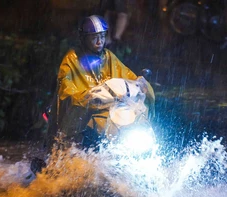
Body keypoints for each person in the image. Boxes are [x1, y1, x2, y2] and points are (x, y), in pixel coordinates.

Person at [48, 15, 155, 149]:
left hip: (110, 109)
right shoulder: (72, 58)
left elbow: (127, 76)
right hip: (84, 115)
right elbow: (66, 88)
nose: (100, 41)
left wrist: (140, 84)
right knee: (77, 140)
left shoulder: (108, 56)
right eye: (94, 37)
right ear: (84, 38)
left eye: (102, 36)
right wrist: (85, 97)